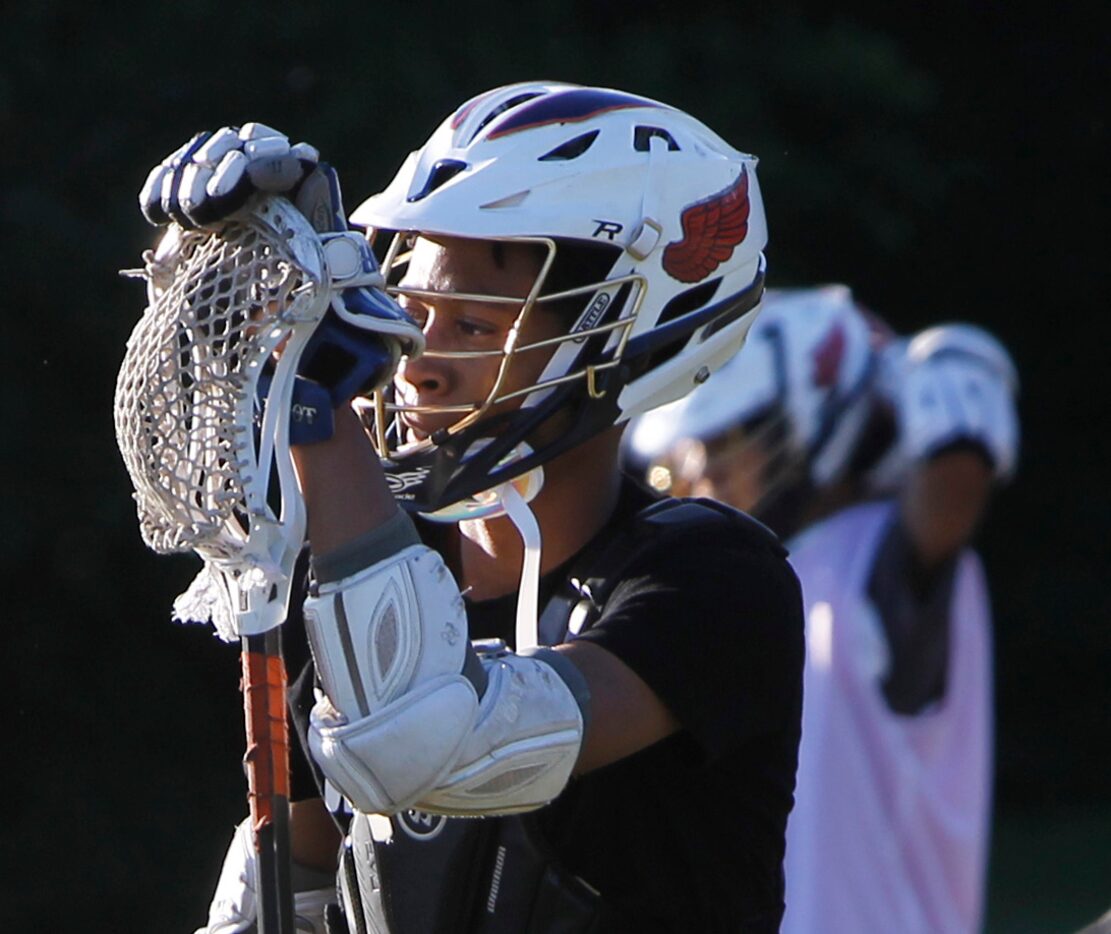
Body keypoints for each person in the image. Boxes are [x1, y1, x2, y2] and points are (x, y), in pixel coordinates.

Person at [140, 82, 805, 933]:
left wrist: (316, 408)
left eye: (477, 325)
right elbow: (293, 885)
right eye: (412, 312)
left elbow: (447, 749)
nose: (416, 361)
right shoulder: (348, 561)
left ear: (620, 337)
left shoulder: (711, 577)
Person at [627, 285, 1020, 933]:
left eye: (724, 439)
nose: (698, 475)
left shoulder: (871, 556)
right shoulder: (735, 581)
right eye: (677, 463)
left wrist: (939, 364)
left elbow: (955, 472)